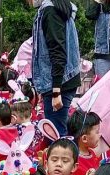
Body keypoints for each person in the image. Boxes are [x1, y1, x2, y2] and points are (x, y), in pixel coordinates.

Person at [31, 0, 81, 134]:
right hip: (59, 80)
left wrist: (56, 91)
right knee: (59, 131)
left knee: (57, 137)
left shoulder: (50, 11)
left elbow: (57, 51)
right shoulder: (55, 8)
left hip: (60, 82)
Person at [68, 107, 101, 175]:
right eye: (97, 132)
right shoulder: (74, 159)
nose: (100, 135)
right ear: (84, 139)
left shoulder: (90, 152)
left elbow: (97, 166)